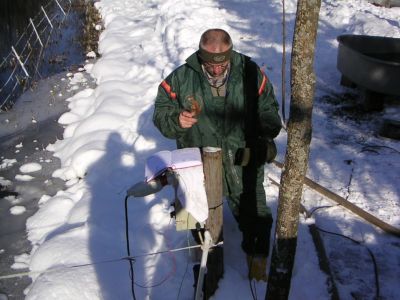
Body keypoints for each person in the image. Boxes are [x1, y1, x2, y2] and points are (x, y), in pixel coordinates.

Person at [153, 28, 282, 281]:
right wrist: (176, 119)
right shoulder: (181, 78)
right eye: (209, 64)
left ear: (230, 54)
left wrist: (262, 134)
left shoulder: (251, 73)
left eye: (222, 63)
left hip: (241, 160)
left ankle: (257, 268)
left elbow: (270, 112)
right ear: (201, 56)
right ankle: (205, 267)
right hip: (196, 160)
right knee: (193, 216)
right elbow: (160, 115)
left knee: (255, 215)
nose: (216, 69)